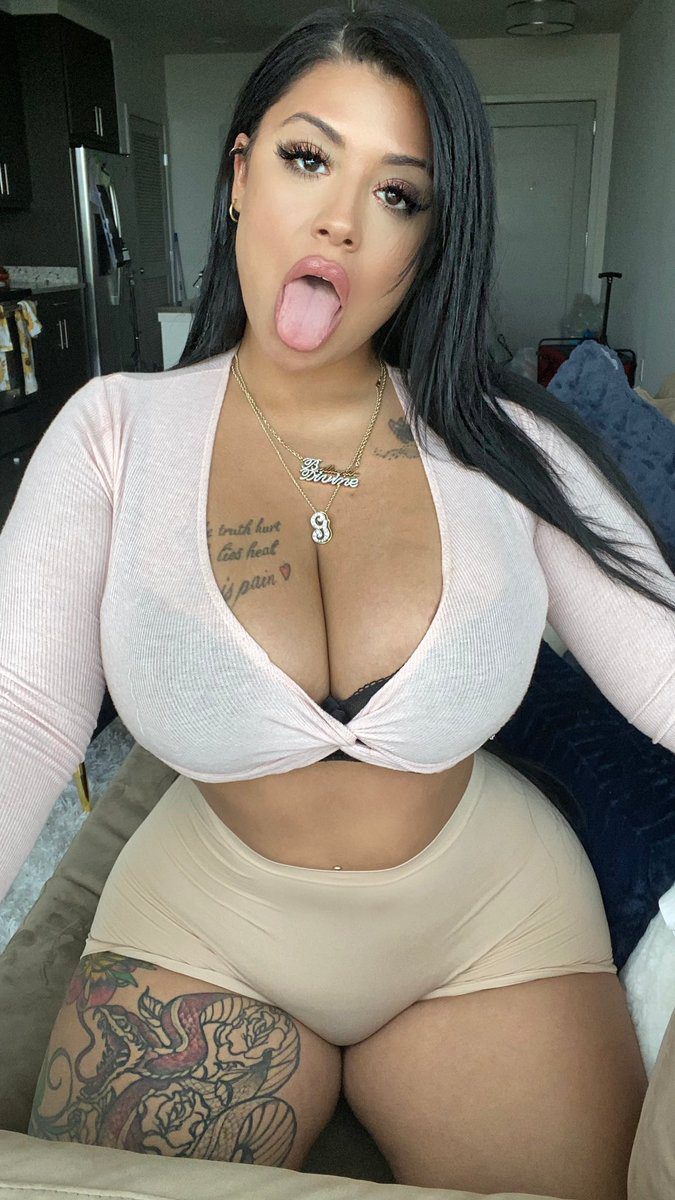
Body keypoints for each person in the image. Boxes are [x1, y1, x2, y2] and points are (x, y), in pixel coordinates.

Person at [1, 1, 674, 1195]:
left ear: (429, 239)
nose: (343, 221)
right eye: (310, 158)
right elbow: (19, 716)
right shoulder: (115, 433)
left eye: (398, 193)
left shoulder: (508, 441)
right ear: (239, 176)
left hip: (491, 920)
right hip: (206, 926)